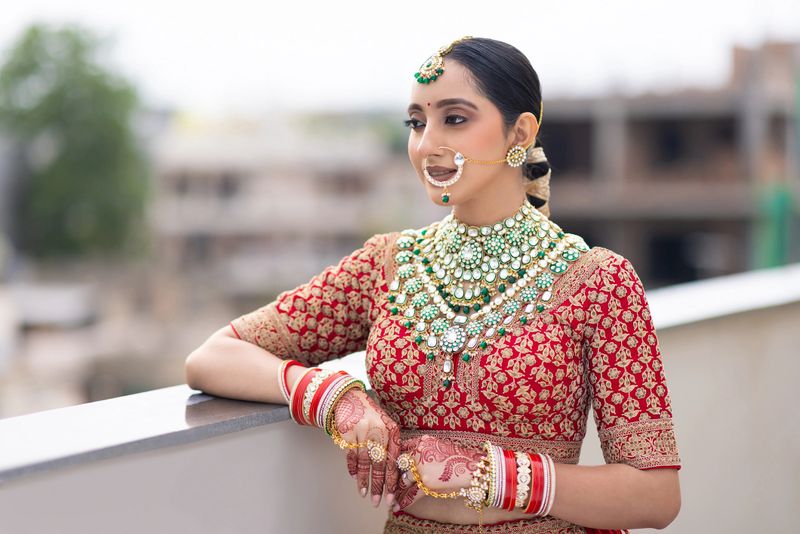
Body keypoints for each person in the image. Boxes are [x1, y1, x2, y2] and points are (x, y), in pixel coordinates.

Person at [185, 36, 682, 533]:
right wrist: (333, 395)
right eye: (417, 123)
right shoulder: (388, 265)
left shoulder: (597, 282)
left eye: (455, 119)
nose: (426, 145)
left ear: (519, 134)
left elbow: (655, 496)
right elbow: (213, 357)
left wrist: (488, 475)